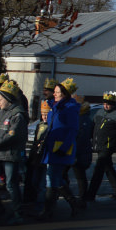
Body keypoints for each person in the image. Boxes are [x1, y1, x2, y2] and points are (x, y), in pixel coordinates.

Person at [38, 78, 84, 220]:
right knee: (56, 178)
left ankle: (48, 211)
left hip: (61, 149)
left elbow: (72, 130)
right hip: (51, 147)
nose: (55, 94)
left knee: (51, 178)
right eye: (55, 92)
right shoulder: (55, 107)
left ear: (65, 94)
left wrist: (64, 148)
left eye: (58, 92)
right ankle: (73, 204)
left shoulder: (69, 108)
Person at [0, 80, 29, 224]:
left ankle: (18, 214)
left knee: (11, 185)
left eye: (0, 100)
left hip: (10, 155)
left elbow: (12, 136)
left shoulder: (18, 115)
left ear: (7, 99)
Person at [83, 91, 116, 201]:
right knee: (107, 167)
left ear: (113, 104)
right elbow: (93, 127)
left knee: (98, 169)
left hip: (109, 146)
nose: (106, 106)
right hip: (99, 144)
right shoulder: (99, 112)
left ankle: (91, 194)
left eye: (108, 104)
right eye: (104, 103)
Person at [24, 100, 51, 211]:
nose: (44, 117)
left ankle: (41, 204)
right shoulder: (39, 125)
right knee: (34, 181)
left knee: (42, 184)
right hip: (36, 158)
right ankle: (35, 201)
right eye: (43, 114)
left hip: (44, 158)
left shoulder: (50, 126)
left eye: (47, 115)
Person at [69, 96, 93, 199]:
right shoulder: (87, 119)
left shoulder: (80, 120)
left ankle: (81, 198)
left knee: (80, 176)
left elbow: (79, 138)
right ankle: (82, 197)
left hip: (79, 152)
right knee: (80, 176)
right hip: (84, 151)